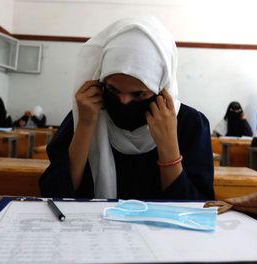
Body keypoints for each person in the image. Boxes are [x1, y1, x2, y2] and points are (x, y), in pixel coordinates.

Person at [39, 17, 214, 200]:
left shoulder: (190, 124)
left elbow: (196, 207)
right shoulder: (87, 112)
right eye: (113, 90)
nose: (123, 101)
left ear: (161, 88)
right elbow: (55, 194)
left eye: (138, 95)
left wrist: (169, 145)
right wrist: (85, 126)